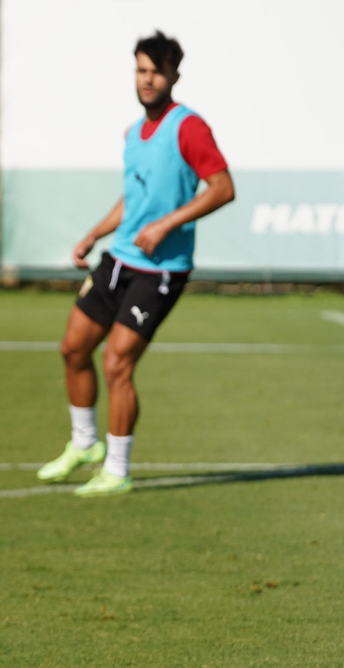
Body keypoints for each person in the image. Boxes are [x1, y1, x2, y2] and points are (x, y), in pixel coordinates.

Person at [38, 31, 234, 497]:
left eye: (157, 72)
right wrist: (95, 232)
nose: (148, 80)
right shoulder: (133, 132)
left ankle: (118, 470)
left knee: (117, 363)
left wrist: (167, 225)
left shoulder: (189, 128)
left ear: (174, 77)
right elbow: (135, 198)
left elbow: (222, 188)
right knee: (72, 349)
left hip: (160, 269)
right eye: (142, 70)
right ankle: (84, 445)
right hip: (118, 259)